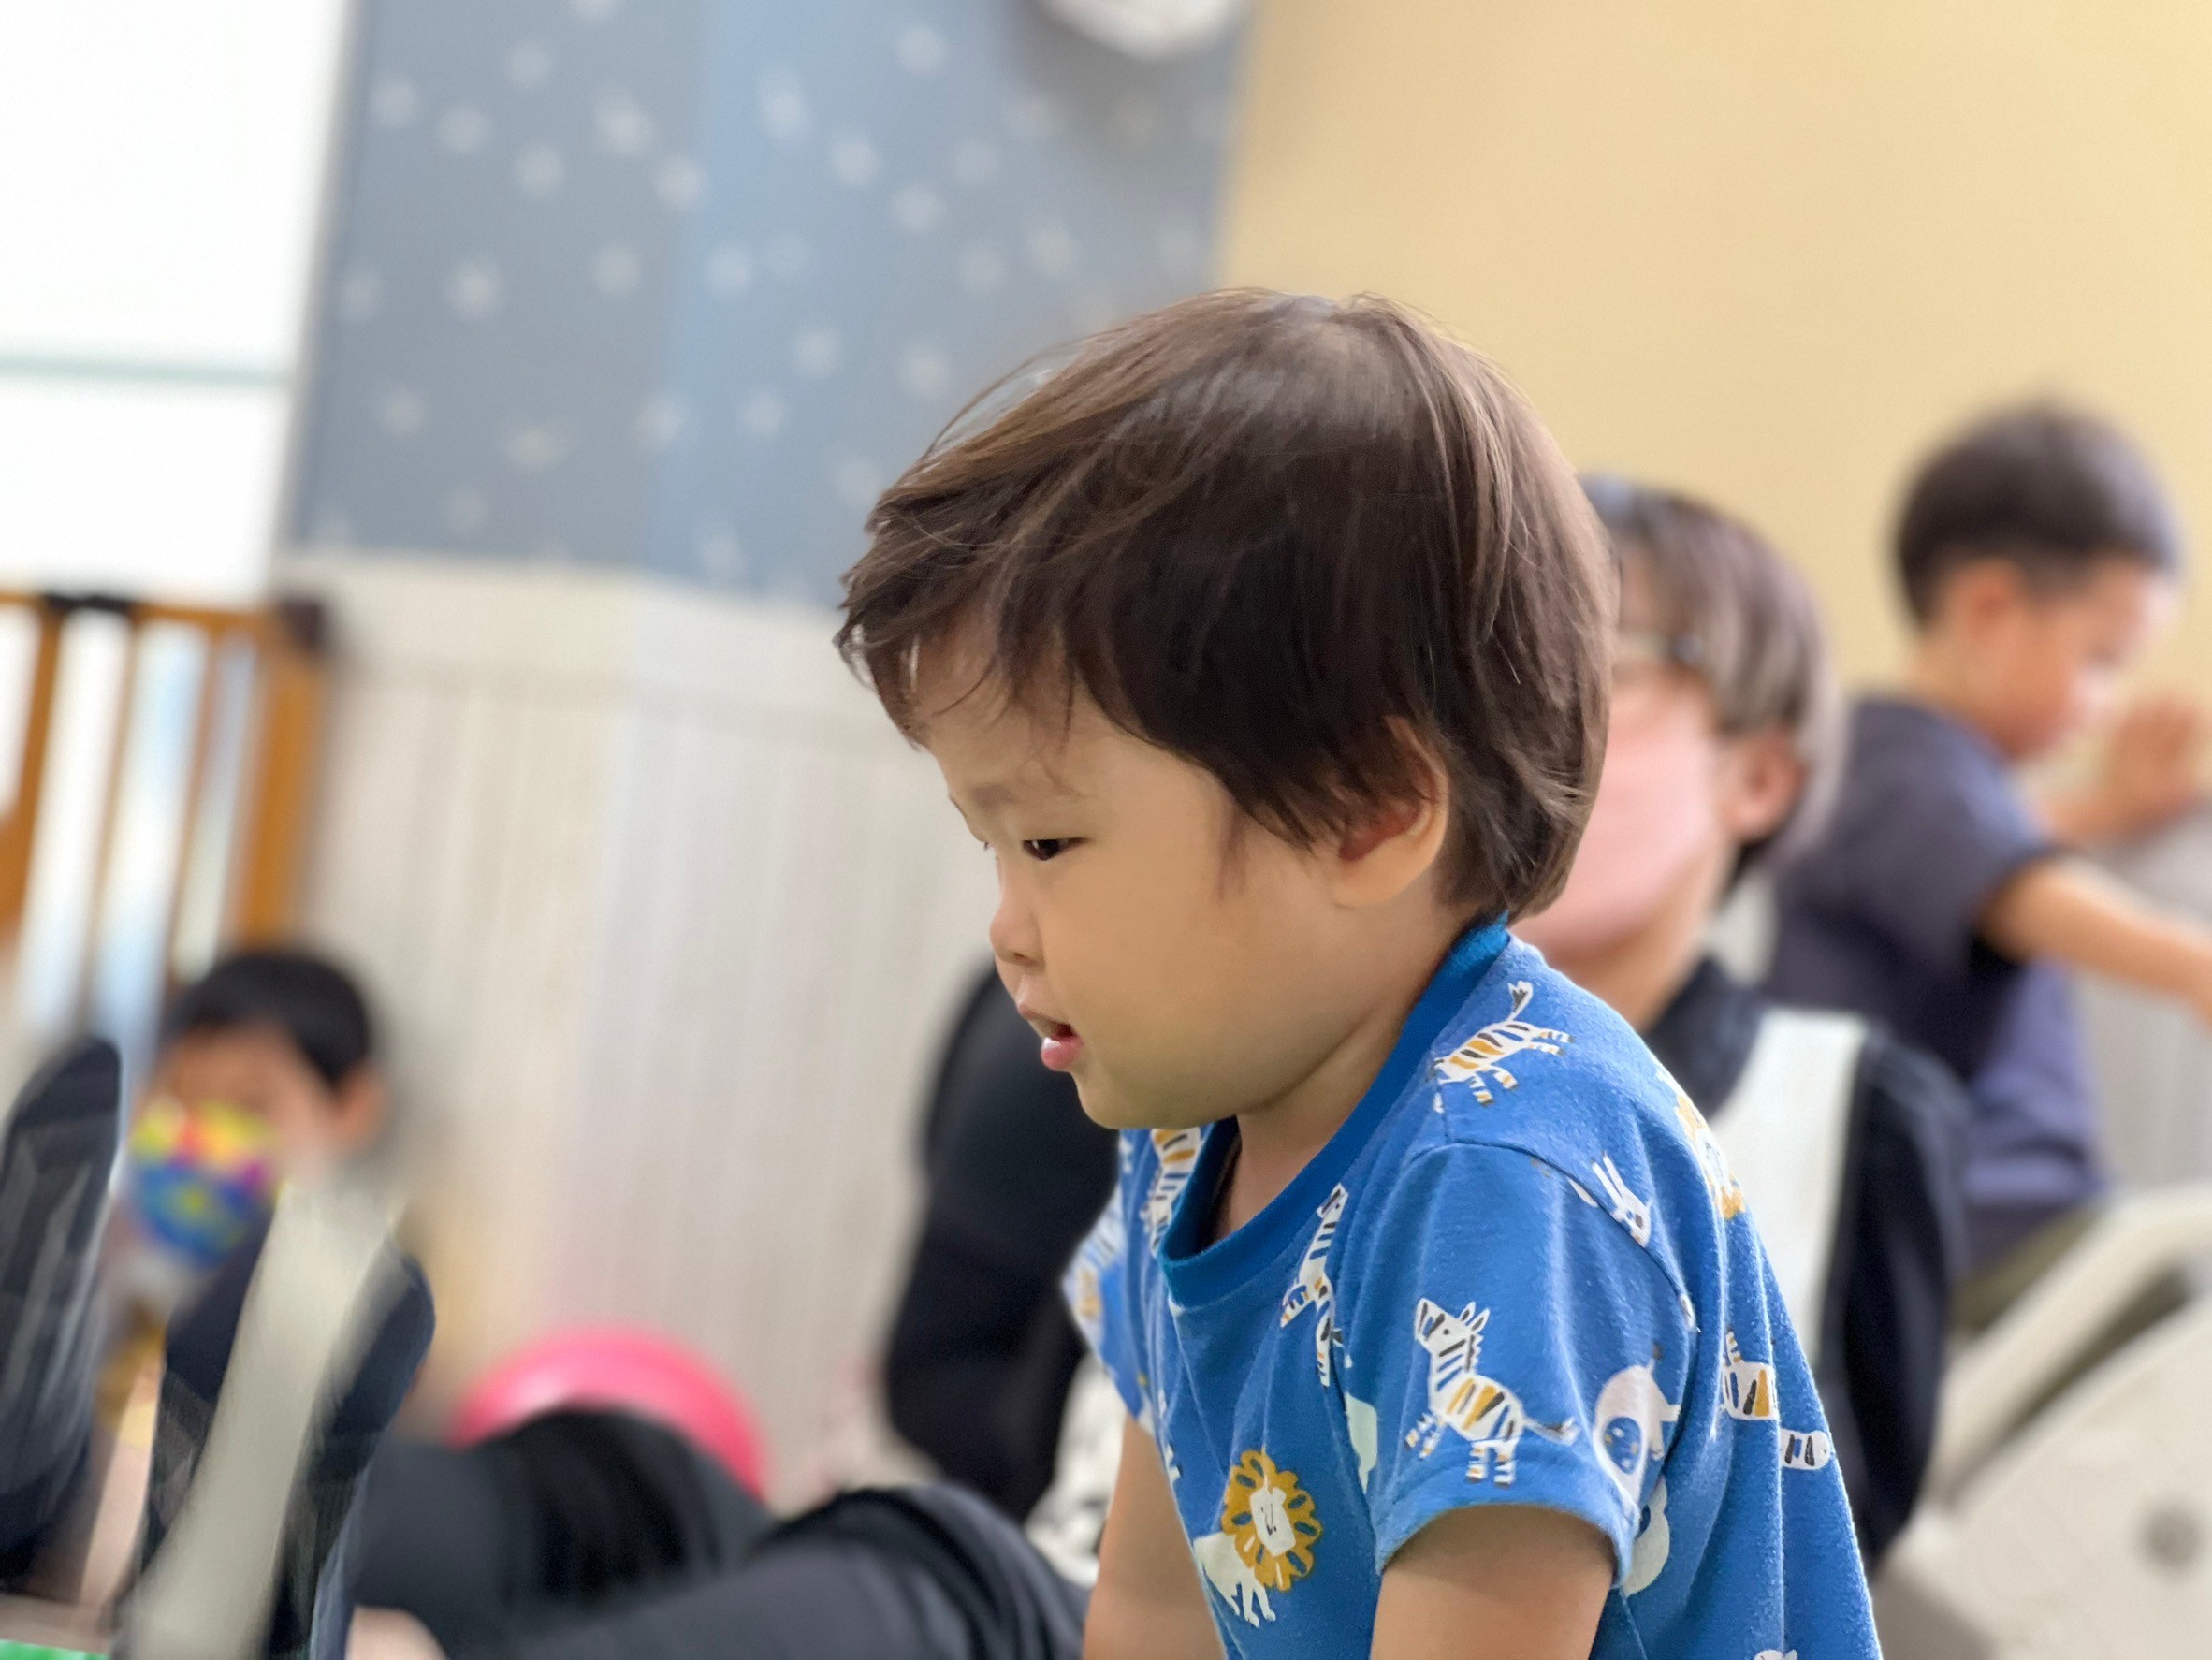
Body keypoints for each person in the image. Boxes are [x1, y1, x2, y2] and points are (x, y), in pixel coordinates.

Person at [837, 290, 1876, 1656]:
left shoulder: (1509, 1180)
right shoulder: (1194, 1118)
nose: (1008, 929)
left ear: (1368, 815)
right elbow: (1154, 1602)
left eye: (1047, 842)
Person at [1517, 477, 1966, 1562]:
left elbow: (1846, 1543)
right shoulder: (1310, 1054)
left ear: (1757, 775)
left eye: (1596, 669)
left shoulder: (1853, 1111)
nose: (1516, 727)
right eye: (1490, 672)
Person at [1766, 405, 2212, 1327]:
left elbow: (1995, 839)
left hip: (1994, 1221)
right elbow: (2015, 886)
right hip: (1976, 1224)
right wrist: (2190, 964)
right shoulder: (1891, 759)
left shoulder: (1918, 780)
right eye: (2102, 659)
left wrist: (2113, 809)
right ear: (1989, 610)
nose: (2105, 705)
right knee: (2170, 1312)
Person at [885, 967, 1117, 1518]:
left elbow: (927, 1147)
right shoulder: (1106, 1044)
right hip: (985, 1414)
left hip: (942, 1376)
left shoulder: (1002, 980)